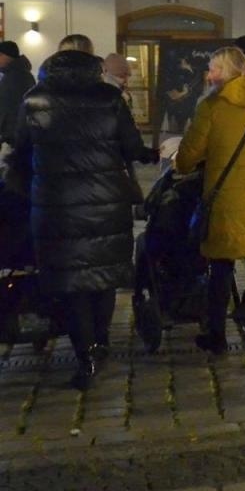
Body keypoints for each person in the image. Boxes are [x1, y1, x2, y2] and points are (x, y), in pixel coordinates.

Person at [6, 45, 149, 389]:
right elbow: (132, 147)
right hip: (107, 203)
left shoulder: (35, 100)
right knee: (104, 276)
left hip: (56, 206)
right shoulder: (109, 98)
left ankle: (85, 357)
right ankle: (101, 342)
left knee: (71, 284)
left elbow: (19, 149)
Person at [175, 47, 245, 370]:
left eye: (214, 69)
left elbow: (187, 158)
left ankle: (217, 336)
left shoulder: (212, 106)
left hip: (225, 199)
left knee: (220, 269)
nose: (209, 75)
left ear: (227, 72)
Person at [0, 40, 34, 146]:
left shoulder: (16, 76)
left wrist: (8, 136)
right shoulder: (18, 73)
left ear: (5, 56)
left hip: (13, 137)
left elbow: (12, 109)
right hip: (15, 135)